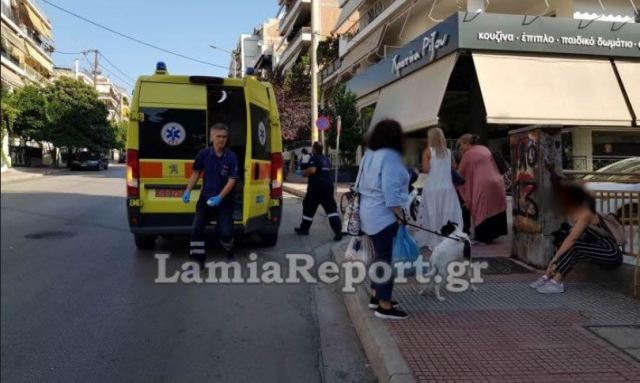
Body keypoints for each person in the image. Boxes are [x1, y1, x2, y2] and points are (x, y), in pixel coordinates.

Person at [529, 183, 623, 294]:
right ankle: (547, 277)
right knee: (566, 245)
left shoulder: (586, 213)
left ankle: (556, 282)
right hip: (596, 251)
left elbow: (572, 239)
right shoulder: (576, 213)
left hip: (611, 254)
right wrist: (556, 257)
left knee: (574, 246)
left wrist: (555, 259)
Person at [359, 119, 410, 320]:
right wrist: (401, 215)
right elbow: (391, 192)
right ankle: (384, 305)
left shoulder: (369, 155)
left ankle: (375, 295)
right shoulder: (390, 157)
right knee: (384, 259)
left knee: (377, 257)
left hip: (368, 212)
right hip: (383, 215)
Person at [182, 123, 239, 267]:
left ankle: (229, 250)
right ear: (211, 137)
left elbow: (232, 181)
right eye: (218, 136)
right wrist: (188, 191)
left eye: (224, 137)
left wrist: (220, 197)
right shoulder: (204, 154)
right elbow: (196, 174)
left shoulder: (231, 157)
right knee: (196, 229)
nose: (222, 139)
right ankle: (198, 260)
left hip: (224, 201)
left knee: (226, 233)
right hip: (205, 198)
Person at [415, 127, 463, 250]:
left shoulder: (428, 152)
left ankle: (434, 238)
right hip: (447, 187)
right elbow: (454, 166)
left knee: (432, 213)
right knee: (447, 213)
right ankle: (448, 238)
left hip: (432, 187)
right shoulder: (448, 151)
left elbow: (425, 170)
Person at [457, 134, 508, 243]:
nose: (460, 148)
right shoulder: (484, 148)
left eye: (461, 145)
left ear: (467, 143)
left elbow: (460, 175)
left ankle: (484, 236)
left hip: (483, 185)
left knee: (482, 207)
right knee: (494, 207)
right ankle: (494, 234)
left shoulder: (468, 155)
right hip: (497, 182)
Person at [294, 142, 342, 241]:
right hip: (328, 187)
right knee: (331, 210)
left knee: (308, 208)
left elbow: (312, 170)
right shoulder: (326, 159)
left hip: (316, 188)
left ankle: (304, 229)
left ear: (314, 149)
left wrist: (302, 173)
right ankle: (338, 231)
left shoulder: (314, 158)